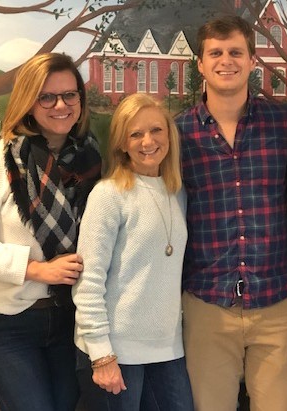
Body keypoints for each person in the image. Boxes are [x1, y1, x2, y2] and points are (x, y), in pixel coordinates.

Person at [0, 52, 102, 411]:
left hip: (68, 319)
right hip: (4, 322)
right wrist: (37, 270)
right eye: (47, 97)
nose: (61, 105)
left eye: (69, 94)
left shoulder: (91, 160)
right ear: (28, 103)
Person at [176, 15, 287, 411]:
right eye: (215, 53)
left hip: (276, 301)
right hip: (207, 304)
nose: (225, 61)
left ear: (252, 61)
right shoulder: (177, 134)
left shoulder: (285, 123)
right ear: (200, 64)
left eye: (235, 52)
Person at [72, 93, 193, 411]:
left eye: (156, 130)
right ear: (122, 143)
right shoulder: (109, 195)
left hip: (167, 349)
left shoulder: (177, 193)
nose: (148, 141)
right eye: (135, 134)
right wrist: (101, 354)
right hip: (115, 350)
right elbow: (89, 280)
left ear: (169, 135)